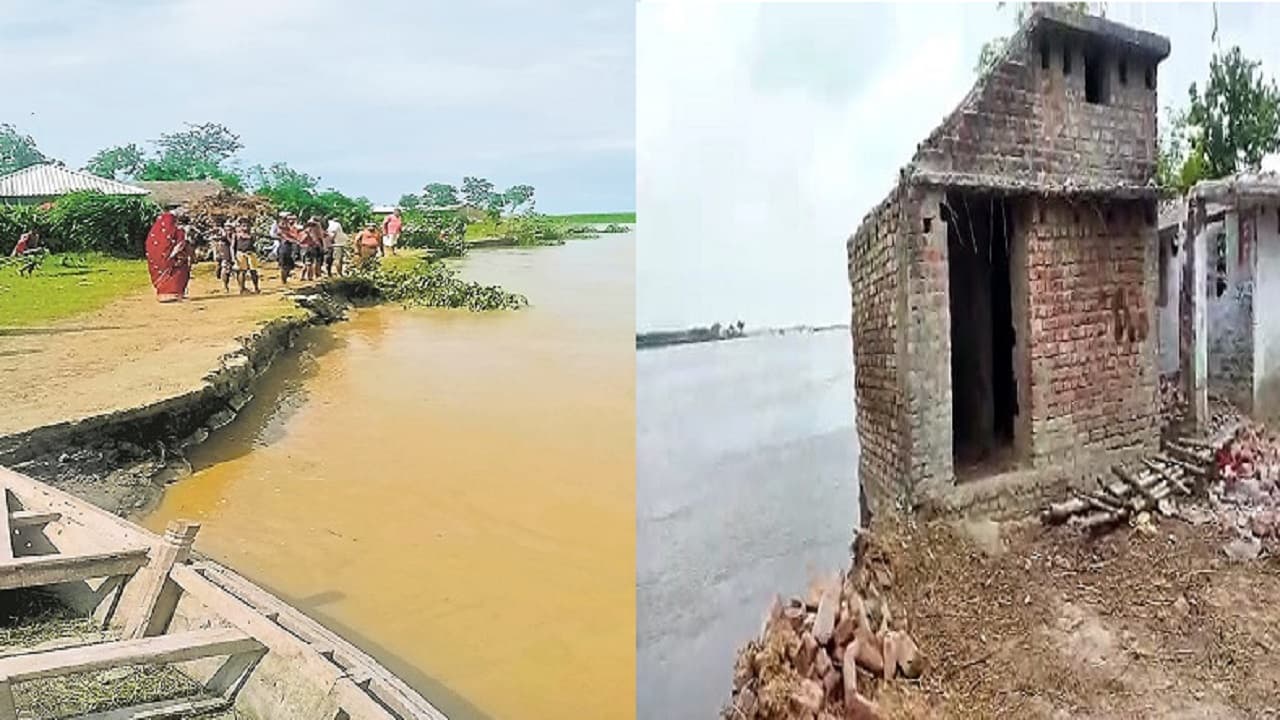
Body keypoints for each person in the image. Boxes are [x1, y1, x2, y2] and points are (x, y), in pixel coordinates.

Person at [145, 206, 193, 302]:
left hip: (160, 257)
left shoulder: (158, 229)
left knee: (178, 272)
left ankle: (171, 293)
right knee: (177, 272)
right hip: (170, 258)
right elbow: (178, 241)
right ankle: (172, 294)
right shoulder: (172, 228)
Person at [232, 217, 260, 294]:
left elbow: (254, 244)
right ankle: (242, 288)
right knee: (242, 271)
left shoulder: (252, 235)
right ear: (240, 226)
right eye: (244, 226)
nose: (246, 227)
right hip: (240, 253)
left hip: (251, 253)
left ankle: (256, 288)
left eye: (247, 225)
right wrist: (233, 257)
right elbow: (232, 246)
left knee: (253, 271)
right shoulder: (237, 235)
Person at [212, 222, 233, 292]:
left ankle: (224, 284)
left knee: (223, 266)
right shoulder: (223, 234)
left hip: (220, 251)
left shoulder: (218, 233)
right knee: (225, 268)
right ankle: (225, 286)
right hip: (224, 252)